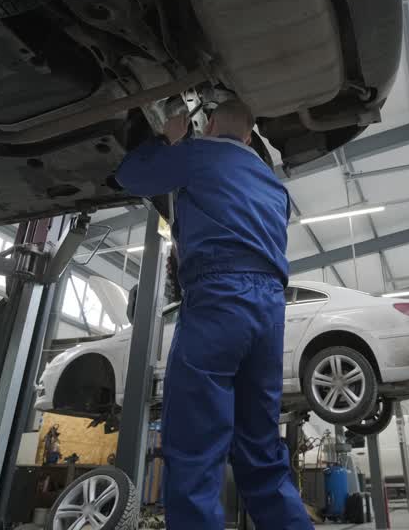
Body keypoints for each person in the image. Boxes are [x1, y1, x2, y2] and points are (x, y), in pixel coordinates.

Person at [115, 99, 313, 530]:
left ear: (207, 128)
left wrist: (167, 139)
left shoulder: (201, 154)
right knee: (261, 450)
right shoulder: (275, 187)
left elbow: (131, 176)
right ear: (249, 136)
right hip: (269, 311)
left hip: (219, 299)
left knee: (195, 446)